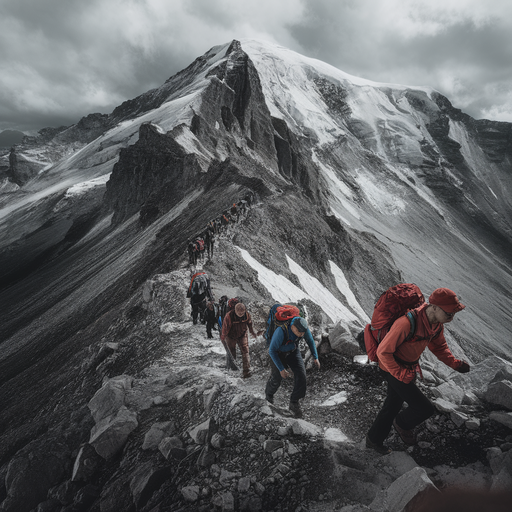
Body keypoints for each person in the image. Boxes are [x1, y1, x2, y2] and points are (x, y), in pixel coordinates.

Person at [366, 288, 470, 454]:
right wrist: (400, 373)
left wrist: (456, 364)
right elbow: (383, 352)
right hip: (391, 367)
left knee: (393, 405)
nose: (451, 317)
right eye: (449, 313)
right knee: (424, 408)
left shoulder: (436, 325)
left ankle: (374, 440)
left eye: (453, 314)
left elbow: (440, 348)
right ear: (434, 307)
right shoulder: (406, 323)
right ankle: (401, 424)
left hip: (407, 367)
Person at [265, 316, 320, 418]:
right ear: (293, 327)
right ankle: (269, 395)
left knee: (301, 375)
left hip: (293, 351)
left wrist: (315, 357)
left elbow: (310, 341)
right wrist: (281, 369)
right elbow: (272, 351)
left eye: (303, 333)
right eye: (300, 333)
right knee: (277, 377)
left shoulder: (303, 328)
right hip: (278, 354)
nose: (302, 335)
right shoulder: (280, 332)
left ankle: (294, 402)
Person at [220, 302, 257, 378]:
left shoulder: (247, 315)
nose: (241, 314)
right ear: (235, 311)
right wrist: (223, 336)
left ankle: (246, 371)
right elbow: (225, 327)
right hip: (231, 336)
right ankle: (232, 368)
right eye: (239, 313)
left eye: (242, 313)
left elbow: (249, 324)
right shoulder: (229, 316)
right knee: (231, 352)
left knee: (245, 352)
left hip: (242, 334)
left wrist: (252, 332)